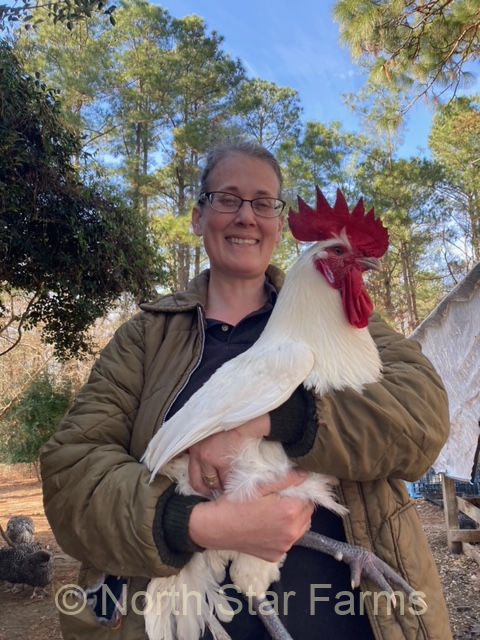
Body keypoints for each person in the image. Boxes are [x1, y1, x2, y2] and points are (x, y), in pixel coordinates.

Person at [41, 140, 452, 640]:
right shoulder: (145, 338)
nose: (246, 217)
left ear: (278, 224)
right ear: (197, 216)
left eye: (263, 203)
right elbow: (72, 468)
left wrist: (270, 421)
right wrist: (200, 525)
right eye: (227, 199)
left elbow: (422, 420)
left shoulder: (348, 324)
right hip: (190, 578)